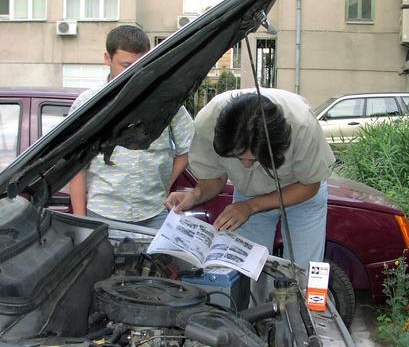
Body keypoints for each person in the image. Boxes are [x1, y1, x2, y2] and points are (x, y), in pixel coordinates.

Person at [166, 88, 335, 271]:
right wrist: (195, 195)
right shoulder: (207, 123)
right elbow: (214, 178)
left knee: (302, 271)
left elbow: (310, 185)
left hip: (300, 191)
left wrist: (251, 206)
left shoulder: (301, 123)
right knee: (245, 268)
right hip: (248, 196)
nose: (246, 166)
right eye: (237, 157)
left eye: (254, 159)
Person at [69, 25, 194, 228]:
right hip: (102, 214)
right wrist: (81, 223)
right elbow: (76, 166)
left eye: (141, 64)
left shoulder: (166, 101)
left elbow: (189, 146)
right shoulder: (88, 104)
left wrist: (168, 181)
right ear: (107, 58)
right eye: (126, 65)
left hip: (154, 212)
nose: (134, 73)